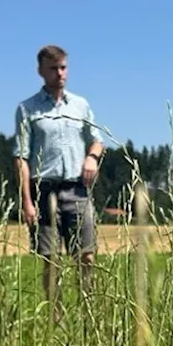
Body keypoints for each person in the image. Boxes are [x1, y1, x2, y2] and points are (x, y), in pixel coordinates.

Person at [13, 44, 103, 318]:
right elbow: (21, 157)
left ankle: (91, 318)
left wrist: (92, 158)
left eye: (63, 67)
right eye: (53, 69)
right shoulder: (27, 109)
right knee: (51, 260)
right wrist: (27, 202)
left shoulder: (81, 105)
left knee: (86, 257)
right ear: (41, 71)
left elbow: (97, 140)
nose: (59, 74)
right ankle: (57, 319)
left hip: (77, 190)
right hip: (44, 192)